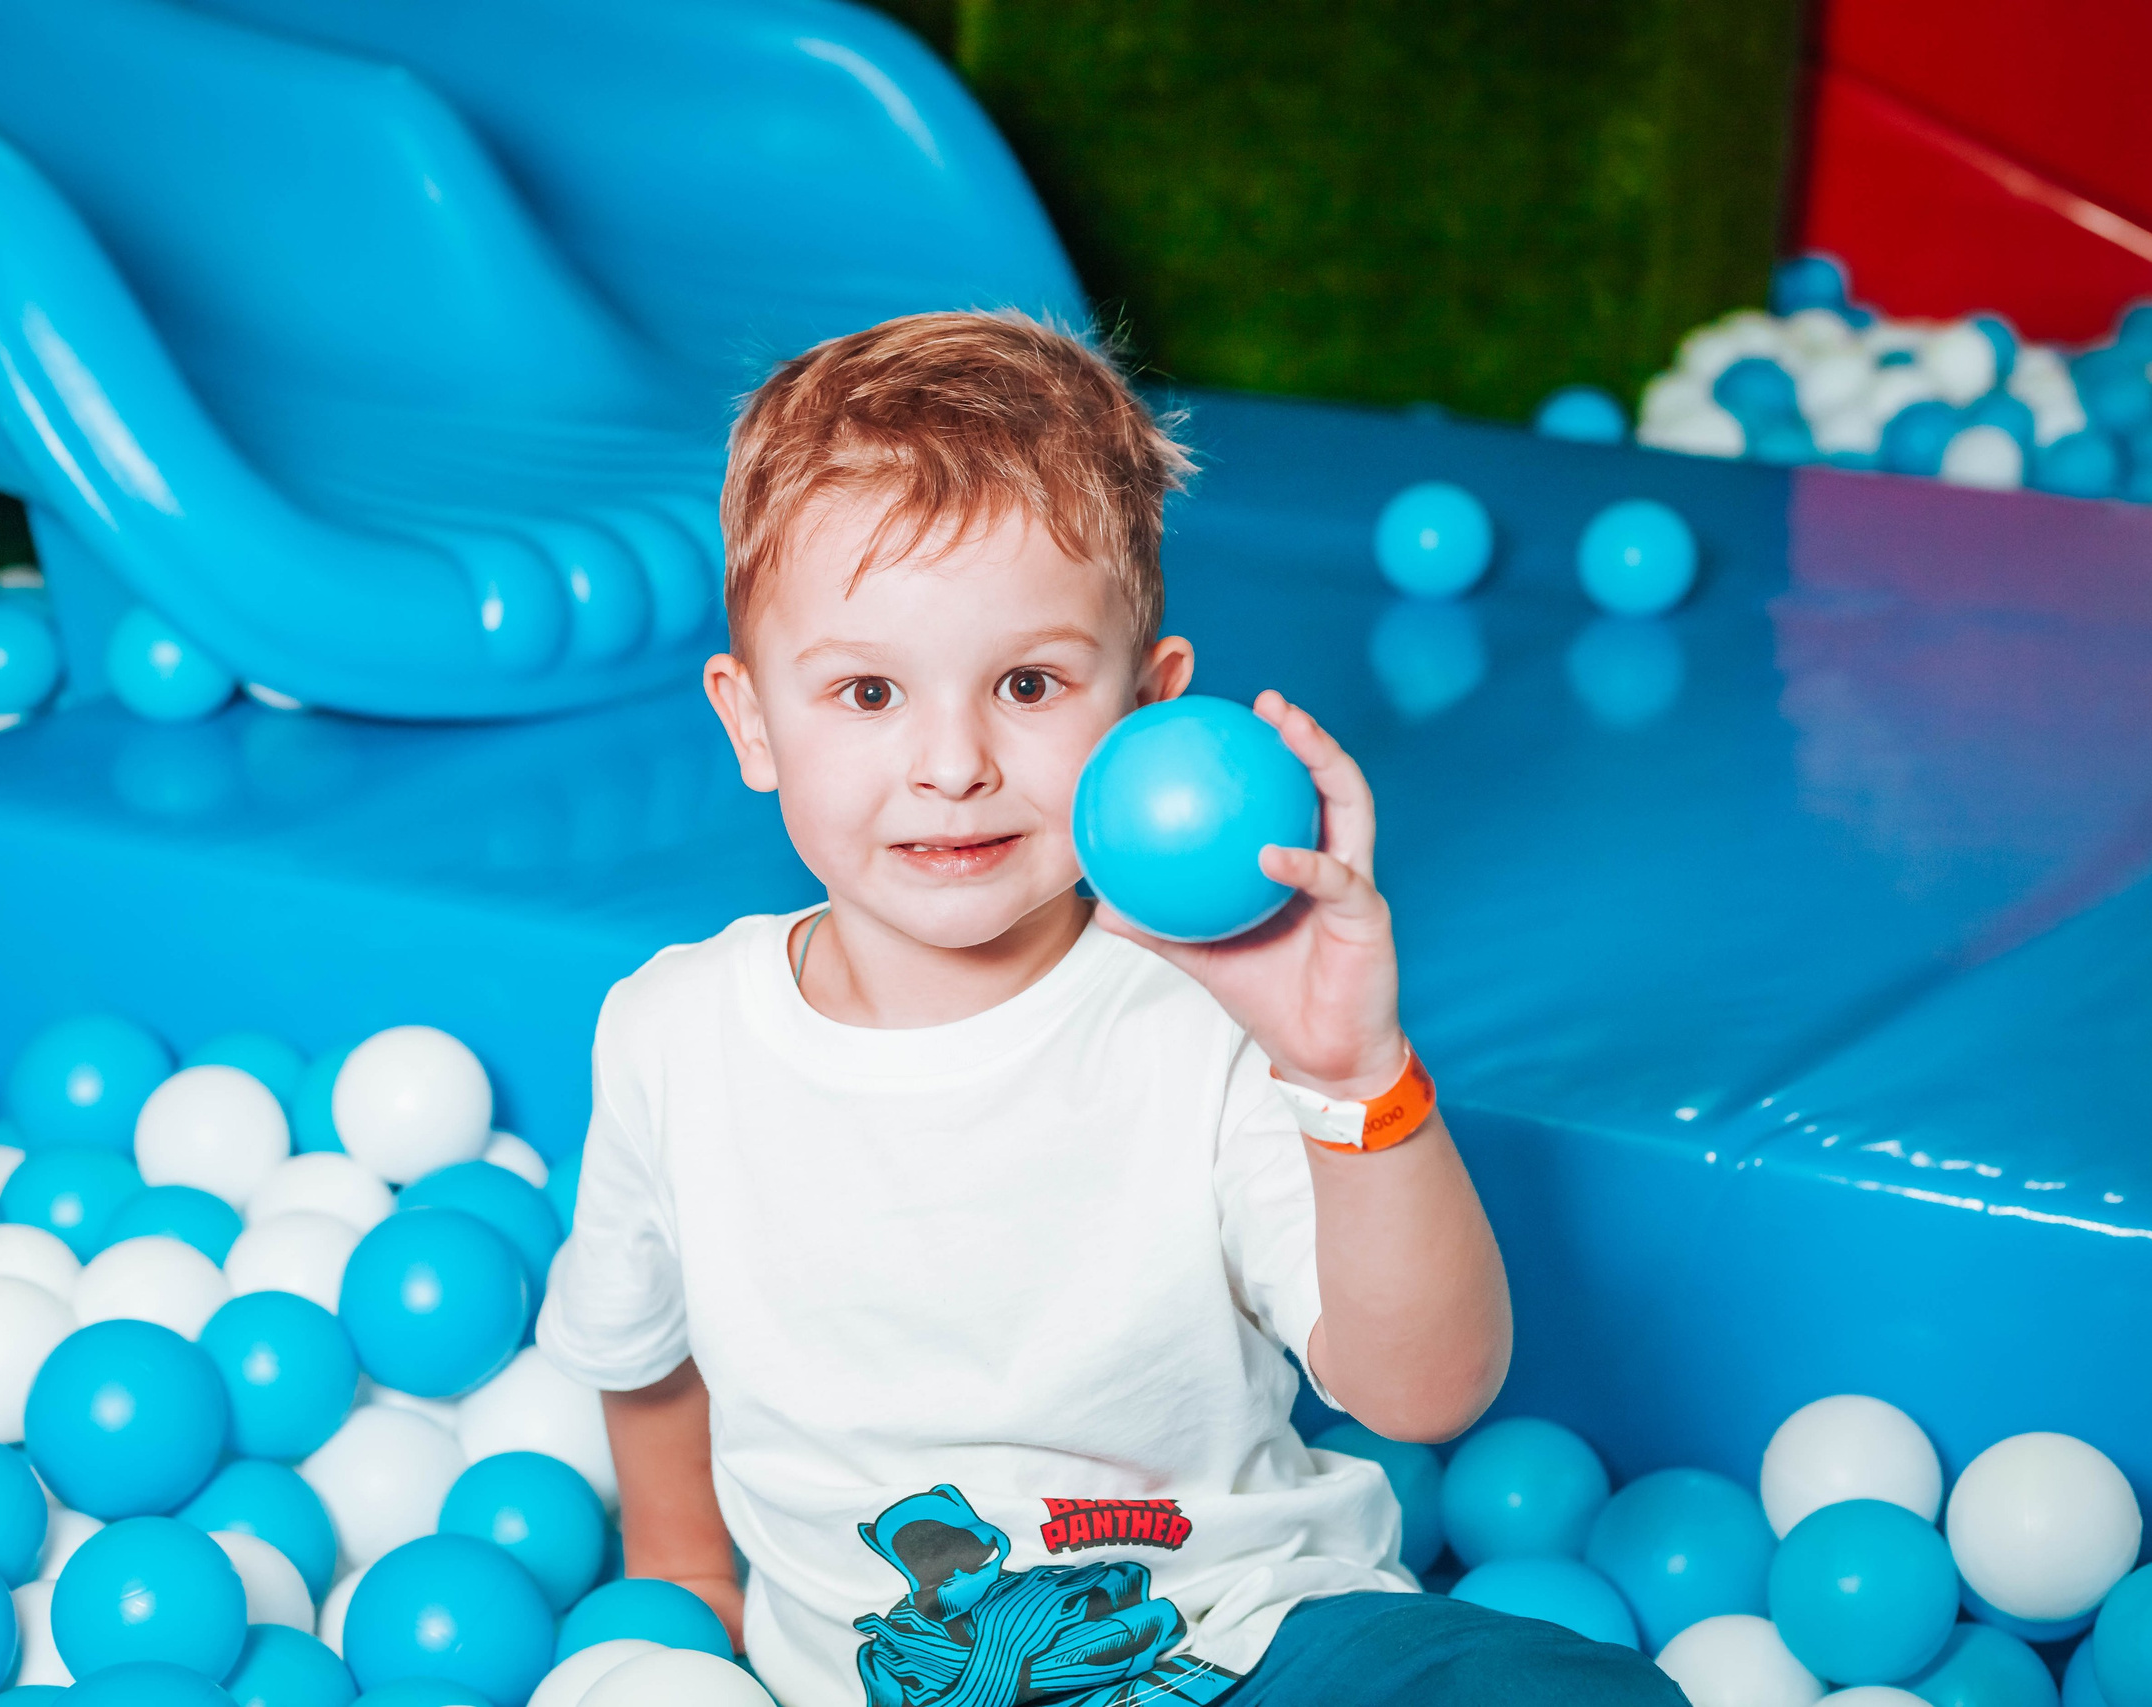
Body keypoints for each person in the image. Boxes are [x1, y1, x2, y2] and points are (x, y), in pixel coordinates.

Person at [538, 311, 1682, 1707]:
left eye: (1027, 684)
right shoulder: (677, 1034)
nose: (951, 763)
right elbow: (642, 1350)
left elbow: (1427, 1394)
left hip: (1244, 1639)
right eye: (867, 691)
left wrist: (1351, 1073)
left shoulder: (1210, 1019)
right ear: (752, 722)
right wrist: (691, 1589)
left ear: (1149, 709)